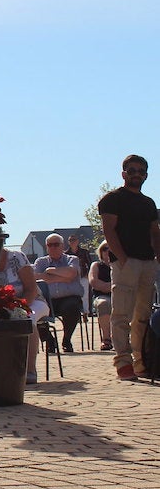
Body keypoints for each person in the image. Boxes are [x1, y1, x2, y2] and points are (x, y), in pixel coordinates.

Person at [97, 155, 160, 381]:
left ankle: (140, 361)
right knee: (121, 314)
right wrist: (122, 258)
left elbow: (155, 231)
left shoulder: (149, 203)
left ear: (146, 175)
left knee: (142, 315)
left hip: (147, 263)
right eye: (132, 170)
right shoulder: (112, 199)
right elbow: (109, 230)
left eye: (141, 171)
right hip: (126, 263)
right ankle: (123, 362)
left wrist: (157, 257)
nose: (137, 174)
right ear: (124, 173)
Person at [0, 248, 50, 383]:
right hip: (1, 306)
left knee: (26, 319)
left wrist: (19, 308)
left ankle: (30, 370)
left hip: (32, 301)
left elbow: (31, 288)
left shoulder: (16, 257)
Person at [33, 233, 84, 353]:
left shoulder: (72, 259)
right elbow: (34, 277)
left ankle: (66, 340)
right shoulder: (41, 262)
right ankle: (49, 340)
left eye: (56, 244)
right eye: (50, 245)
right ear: (46, 247)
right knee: (35, 312)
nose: (53, 247)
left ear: (62, 246)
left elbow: (72, 273)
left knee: (72, 307)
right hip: (47, 299)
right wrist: (63, 278)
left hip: (69, 298)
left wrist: (51, 272)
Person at [89, 241, 114, 351]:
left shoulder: (122, 265)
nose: (107, 251)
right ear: (101, 252)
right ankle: (106, 339)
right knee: (104, 303)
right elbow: (94, 282)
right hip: (102, 296)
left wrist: (107, 286)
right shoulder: (96, 265)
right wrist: (114, 286)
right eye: (105, 249)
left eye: (110, 248)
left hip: (122, 295)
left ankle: (124, 338)